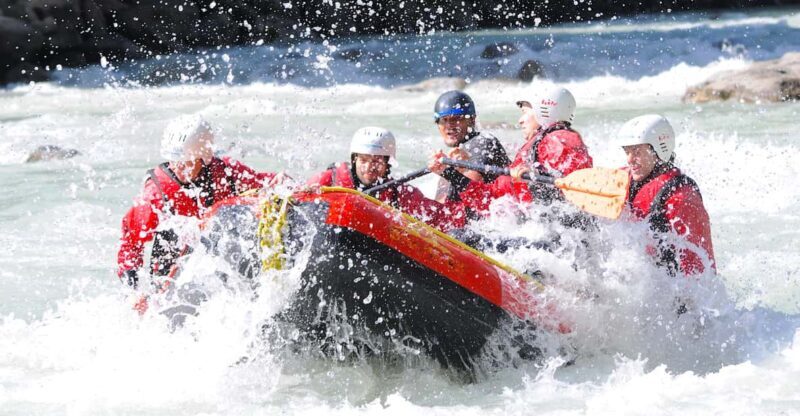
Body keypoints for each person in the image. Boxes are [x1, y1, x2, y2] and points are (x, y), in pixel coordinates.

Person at [117, 115, 279, 289]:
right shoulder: (156, 193)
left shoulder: (226, 172)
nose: (178, 167)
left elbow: (265, 183)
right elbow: (131, 244)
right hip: (171, 276)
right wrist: (133, 293)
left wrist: (282, 182)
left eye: (185, 162)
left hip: (222, 262)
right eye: (174, 161)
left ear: (204, 159)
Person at [429, 86, 593, 216]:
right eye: (444, 120)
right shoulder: (529, 157)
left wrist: (537, 178)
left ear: (545, 111)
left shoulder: (561, 139)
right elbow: (486, 199)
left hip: (558, 236)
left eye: (525, 112)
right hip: (535, 229)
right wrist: (450, 172)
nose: (520, 120)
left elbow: (568, 191)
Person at [307, 126, 465, 231]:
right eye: (363, 160)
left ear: (388, 164)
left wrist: (454, 174)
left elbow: (447, 218)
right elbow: (298, 196)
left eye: (376, 161)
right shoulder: (330, 179)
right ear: (354, 160)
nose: (369, 167)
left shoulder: (401, 194)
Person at [615, 114, 716, 276]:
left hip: (670, 289)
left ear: (659, 149)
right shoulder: (624, 179)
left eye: (637, 151)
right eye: (627, 151)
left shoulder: (682, 197)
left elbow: (698, 269)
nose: (629, 159)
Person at [427, 90, 510, 204]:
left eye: (456, 119)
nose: (449, 125)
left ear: (471, 120)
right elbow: (443, 208)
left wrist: (449, 172)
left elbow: (475, 194)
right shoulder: (454, 156)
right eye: (443, 120)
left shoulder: (483, 143)